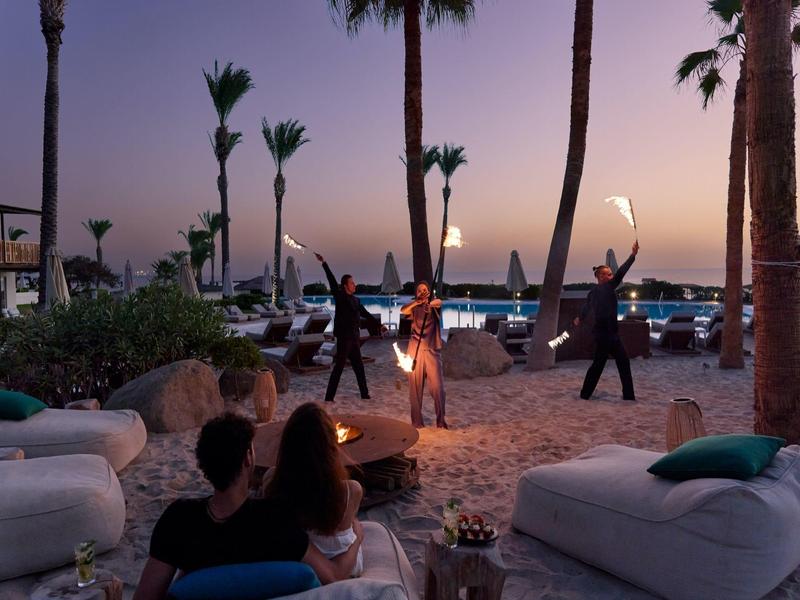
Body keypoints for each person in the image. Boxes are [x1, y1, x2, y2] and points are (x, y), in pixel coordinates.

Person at [132, 413, 363, 600]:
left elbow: (146, 596)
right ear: (248, 459)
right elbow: (333, 576)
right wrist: (358, 540)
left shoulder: (178, 519)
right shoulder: (275, 521)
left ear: (204, 464)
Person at [264, 403, 364, 577]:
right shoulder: (351, 490)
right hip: (343, 567)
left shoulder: (272, 482)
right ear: (330, 447)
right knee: (354, 524)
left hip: (297, 563)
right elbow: (336, 573)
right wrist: (359, 537)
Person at [574, 240, 640, 401]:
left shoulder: (594, 292)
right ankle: (587, 394)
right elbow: (621, 273)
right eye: (607, 274)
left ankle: (588, 394)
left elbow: (585, 309)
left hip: (610, 334)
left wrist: (579, 318)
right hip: (605, 335)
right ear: (600, 276)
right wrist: (632, 255)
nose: (610, 276)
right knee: (601, 365)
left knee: (616, 364)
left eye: (610, 274)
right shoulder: (606, 288)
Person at [314, 252, 385, 402]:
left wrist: (379, 325)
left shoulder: (356, 300)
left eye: (354, 282)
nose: (355, 284)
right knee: (338, 369)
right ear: (345, 286)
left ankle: (364, 394)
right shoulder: (340, 297)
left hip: (354, 338)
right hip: (344, 339)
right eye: (352, 283)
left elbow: (366, 314)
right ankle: (329, 397)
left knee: (359, 367)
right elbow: (332, 281)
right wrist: (324, 263)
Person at [400, 281, 448, 428]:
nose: (422, 292)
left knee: (438, 388)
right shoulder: (413, 308)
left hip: (432, 350)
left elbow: (439, 302)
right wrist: (417, 303)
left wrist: (430, 304)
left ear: (429, 292)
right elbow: (403, 310)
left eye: (425, 289)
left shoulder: (434, 306)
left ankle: (441, 421)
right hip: (415, 351)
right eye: (419, 290)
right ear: (416, 294)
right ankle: (417, 422)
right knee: (415, 389)